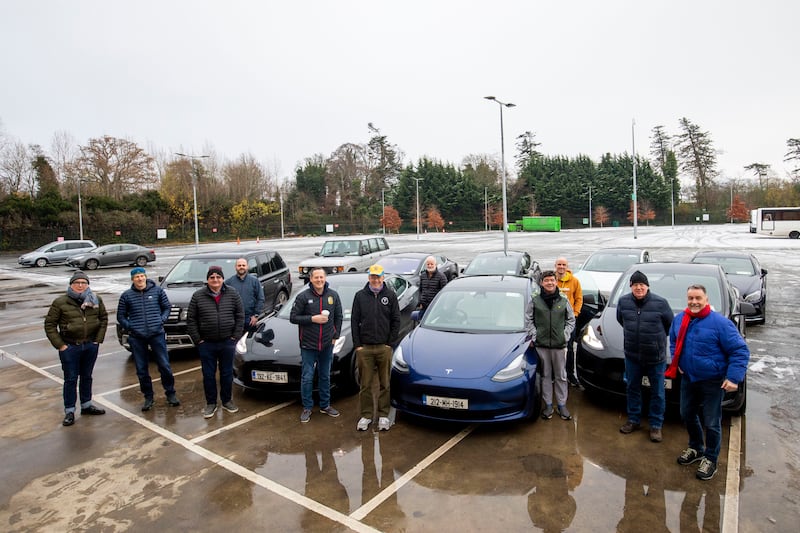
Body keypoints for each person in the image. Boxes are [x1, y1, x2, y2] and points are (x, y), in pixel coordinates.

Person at [669, 284, 750, 481]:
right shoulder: (680, 319)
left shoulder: (720, 324)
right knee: (686, 414)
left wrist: (733, 378)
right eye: (691, 298)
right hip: (689, 378)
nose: (694, 302)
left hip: (713, 381)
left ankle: (710, 458)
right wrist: (677, 361)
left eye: (698, 298)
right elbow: (673, 341)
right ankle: (696, 447)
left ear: (706, 299)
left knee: (712, 422)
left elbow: (740, 350)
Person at [44, 271, 108, 426]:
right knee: (71, 379)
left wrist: (97, 341)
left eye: (83, 283)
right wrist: (61, 345)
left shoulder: (95, 299)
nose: (80, 285)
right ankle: (70, 411)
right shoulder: (61, 302)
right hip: (70, 347)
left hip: (90, 346)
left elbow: (103, 319)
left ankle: (86, 405)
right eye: (77, 282)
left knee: (87, 376)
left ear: (87, 285)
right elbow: (50, 325)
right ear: (71, 285)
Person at [616, 270, 674, 442]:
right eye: (635, 285)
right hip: (632, 356)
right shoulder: (623, 302)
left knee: (658, 392)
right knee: (632, 388)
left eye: (642, 285)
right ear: (631, 287)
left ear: (647, 286)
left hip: (655, 358)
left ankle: (656, 425)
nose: (639, 288)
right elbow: (622, 320)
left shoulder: (661, 303)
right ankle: (633, 420)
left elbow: (670, 325)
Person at [117, 266, 180, 412]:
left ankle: (170, 393)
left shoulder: (157, 291)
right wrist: (130, 326)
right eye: (136, 277)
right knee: (141, 369)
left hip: (156, 334)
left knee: (164, 366)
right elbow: (121, 316)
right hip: (137, 337)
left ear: (145, 277)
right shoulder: (126, 295)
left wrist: (161, 320)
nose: (140, 279)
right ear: (133, 279)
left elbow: (166, 308)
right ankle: (148, 397)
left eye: (142, 276)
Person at [187, 265, 244, 419]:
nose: (215, 280)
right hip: (207, 344)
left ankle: (227, 401)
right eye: (212, 277)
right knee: (208, 375)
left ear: (222, 279)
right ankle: (211, 403)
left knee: (226, 374)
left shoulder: (232, 293)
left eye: (218, 277)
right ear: (208, 280)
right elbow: (191, 320)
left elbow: (240, 315)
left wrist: (235, 336)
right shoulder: (198, 296)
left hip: (227, 342)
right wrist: (198, 340)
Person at [289, 267, 343, 423]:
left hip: (327, 344)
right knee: (307, 377)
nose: (319, 280)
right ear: (311, 279)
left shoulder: (333, 295)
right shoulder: (302, 297)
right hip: (308, 344)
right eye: (316, 277)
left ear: (325, 278)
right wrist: (313, 319)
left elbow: (338, 317)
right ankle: (307, 407)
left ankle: (325, 405)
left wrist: (335, 336)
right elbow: (293, 317)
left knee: (325, 375)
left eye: (322, 277)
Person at [352, 264, 400, 431]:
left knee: (385, 384)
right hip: (365, 348)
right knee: (365, 384)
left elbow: (396, 321)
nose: (375, 279)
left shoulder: (390, 296)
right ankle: (365, 415)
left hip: (383, 348)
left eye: (378, 276)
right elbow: (354, 321)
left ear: (383, 277)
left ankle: (383, 415)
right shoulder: (360, 296)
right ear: (368, 278)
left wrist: (389, 343)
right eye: (372, 276)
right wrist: (358, 345)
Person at [526, 270, 576, 420]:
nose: (550, 283)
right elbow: (528, 320)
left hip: (559, 346)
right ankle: (548, 405)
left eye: (552, 280)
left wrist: (564, 335)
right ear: (542, 283)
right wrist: (535, 336)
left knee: (561, 375)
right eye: (546, 280)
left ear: (556, 282)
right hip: (541, 346)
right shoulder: (535, 300)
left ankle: (562, 405)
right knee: (546, 375)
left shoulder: (563, 300)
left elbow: (571, 320)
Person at [555, 257, 583, 387]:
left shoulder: (574, 281)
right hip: (554, 321)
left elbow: (579, 298)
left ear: (567, 266)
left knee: (570, 348)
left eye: (563, 265)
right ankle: (554, 375)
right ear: (555, 266)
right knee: (554, 348)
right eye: (559, 264)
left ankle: (570, 374)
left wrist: (576, 314)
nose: (561, 267)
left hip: (569, 321)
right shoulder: (550, 280)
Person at [225, 257, 265, 334]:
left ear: (247, 267)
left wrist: (255, 315)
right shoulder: (229, 282)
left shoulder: (254, 281)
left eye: (243, 265)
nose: (241, 267)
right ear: (235, 267)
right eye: (239, 265)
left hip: (250, 319)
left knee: (249, 342)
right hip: (234, 319)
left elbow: (260, 298)